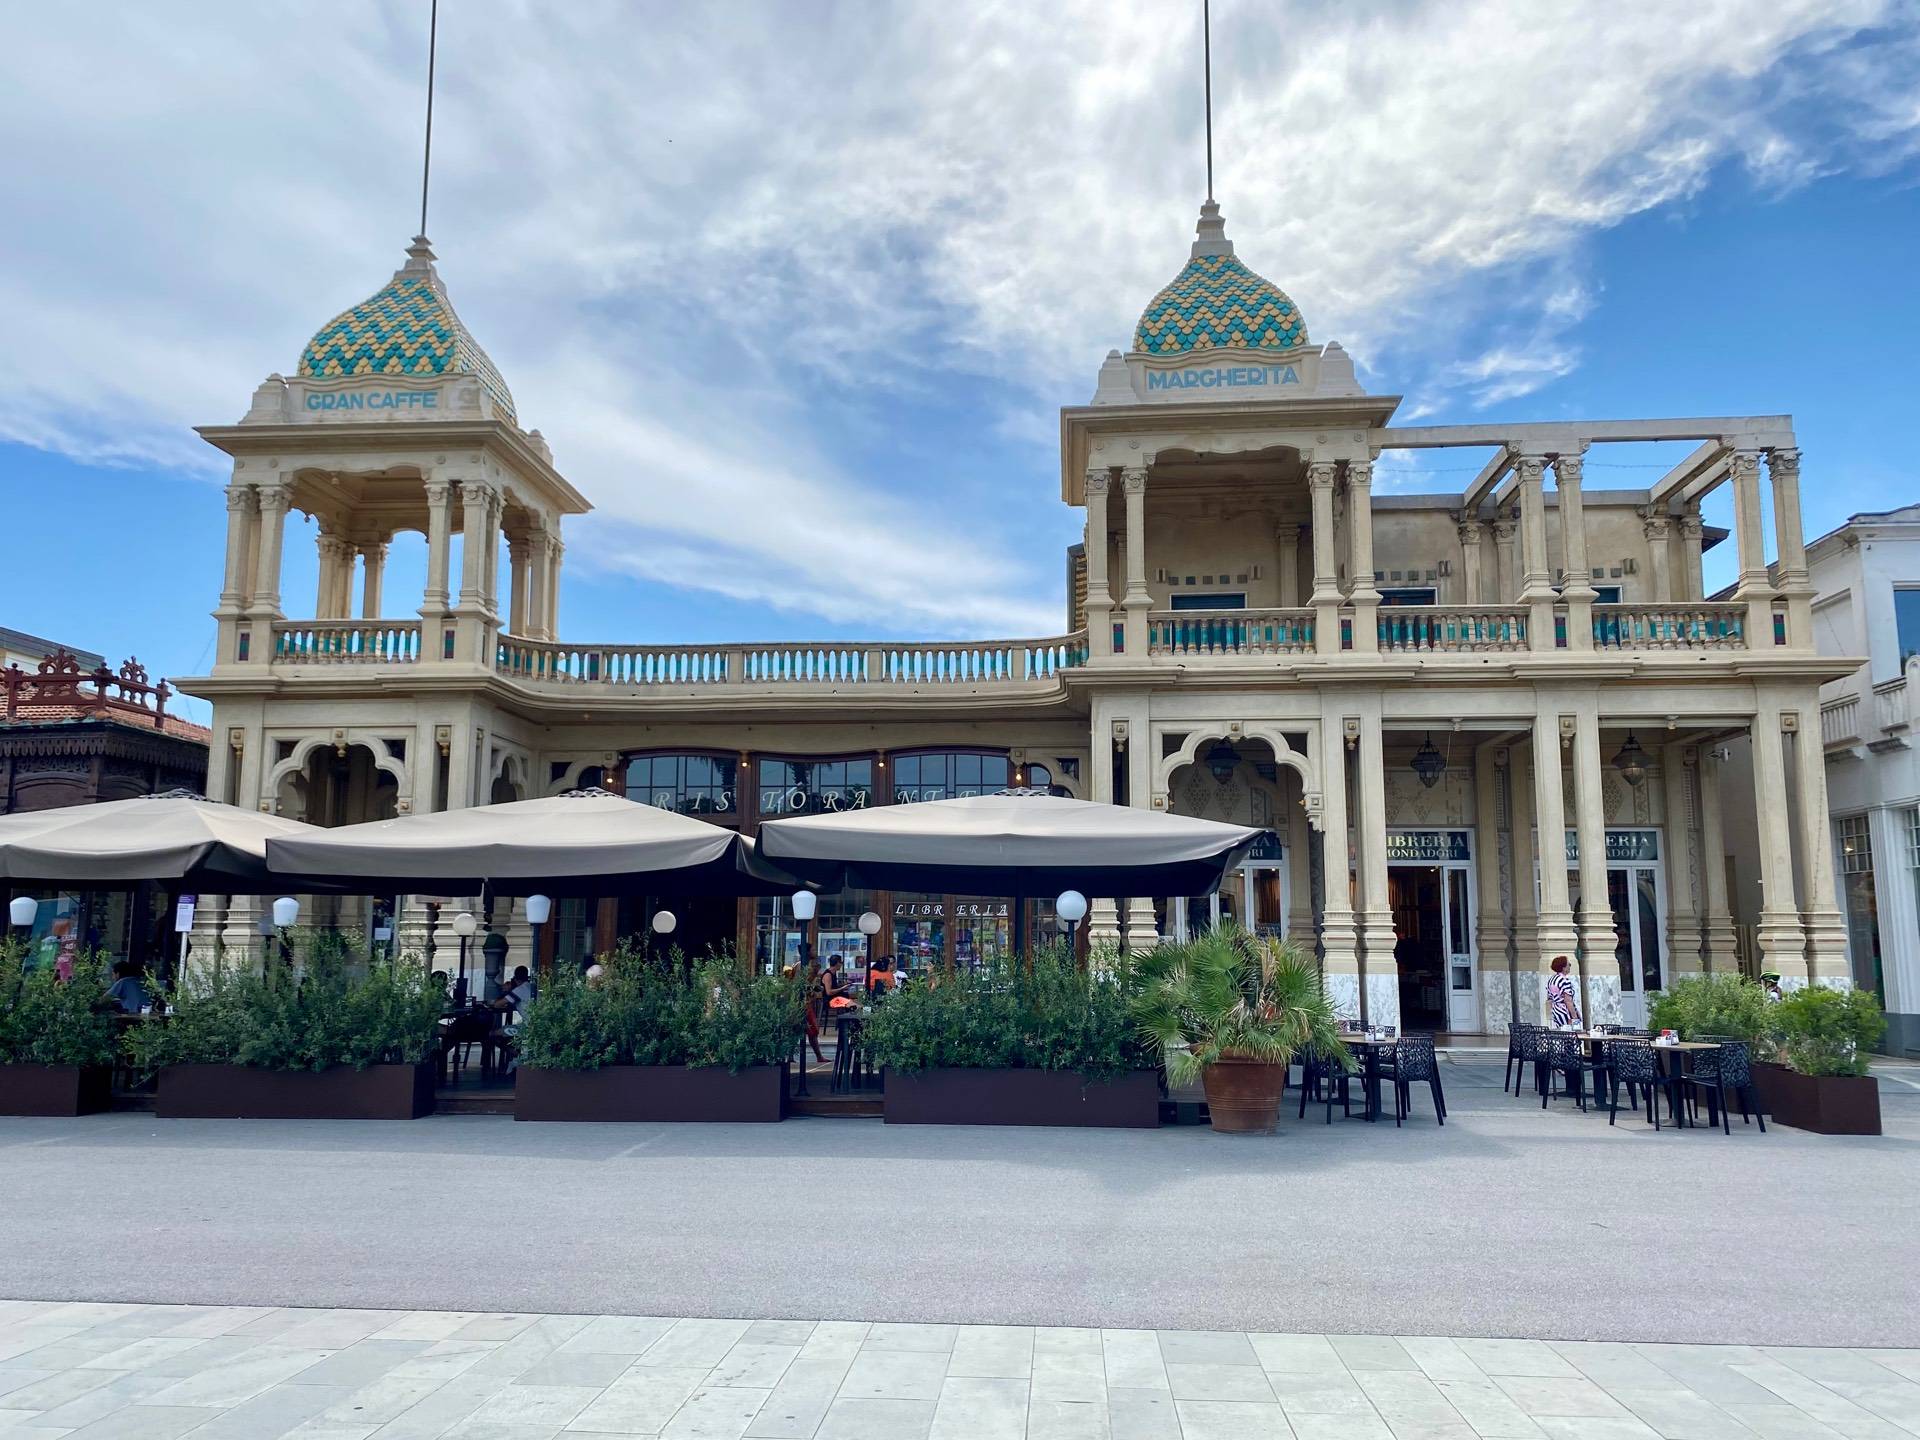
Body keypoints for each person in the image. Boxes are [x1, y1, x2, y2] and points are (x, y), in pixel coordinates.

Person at [1546, 955, 1581, 1030]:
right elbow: (1568, 1000)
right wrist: (1575, 1017)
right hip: (1566, 1013)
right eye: (1569, 964)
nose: (1570, 966)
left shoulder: (1551, 980)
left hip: (1556, 1012)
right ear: (1563, 968)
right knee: (1572, 1036)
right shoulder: (1564, 980)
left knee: (1561, 1036)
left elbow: (1549, 998)